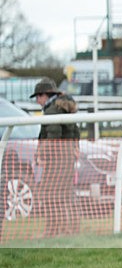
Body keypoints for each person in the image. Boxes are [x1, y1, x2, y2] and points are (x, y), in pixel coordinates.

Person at [32, 79, 80, 237]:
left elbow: (53, 137)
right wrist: (75, 147)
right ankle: (68, 229)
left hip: (56, 161)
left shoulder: (52, 111)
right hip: (66, 159)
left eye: (38, 97)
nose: (38, 101)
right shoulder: (63, 108)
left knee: (51, 196)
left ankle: (54, 230)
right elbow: (75, 132)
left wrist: (42, 155)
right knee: (65, 196)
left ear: (44, 95)